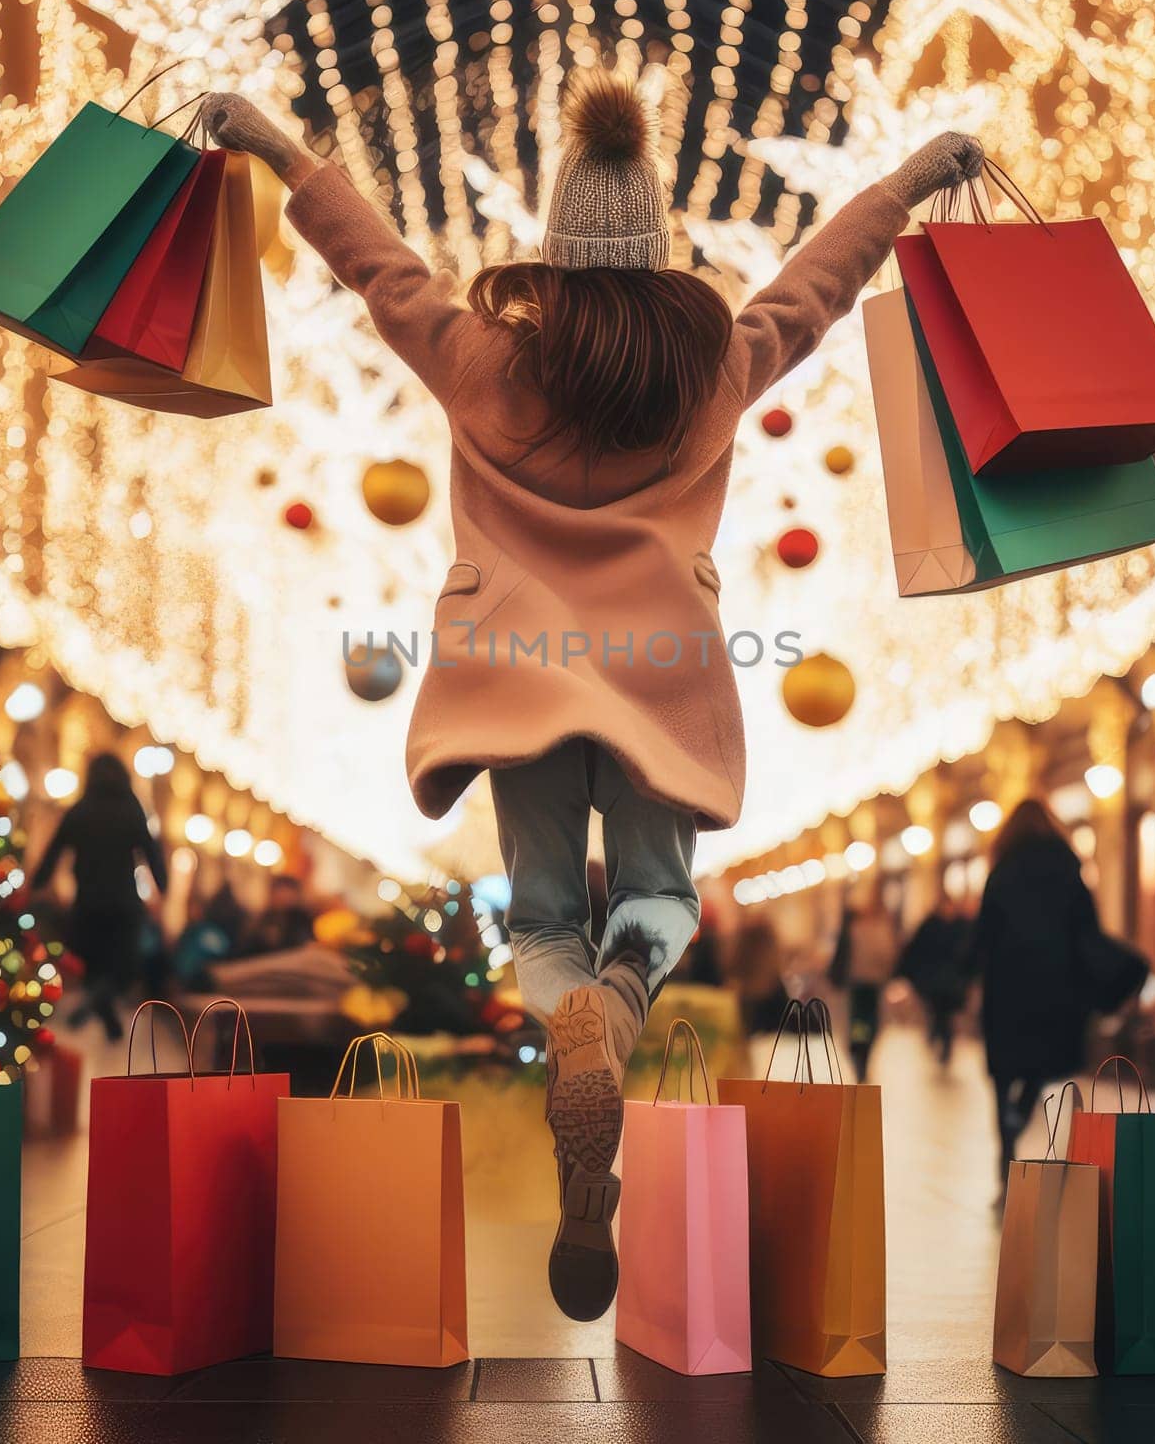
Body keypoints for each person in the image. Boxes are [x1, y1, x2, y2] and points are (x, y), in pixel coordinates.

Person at [202, 74, 980, 1320]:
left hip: (510, 674)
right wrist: (904, 183)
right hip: (662, 672)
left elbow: (380, 270)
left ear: (553, 257)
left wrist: (276, 149)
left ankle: (577, 1025)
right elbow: (814, 291)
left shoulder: (477, 361)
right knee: (662, 896)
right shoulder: (714, 365)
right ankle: (615, 1014)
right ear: (658, 248)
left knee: (543, 918)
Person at [975, 799, 1099, 1181]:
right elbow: (1087, 930)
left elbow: (984, 934)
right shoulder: (1067, 870)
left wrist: (970, 975)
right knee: (1038, 1062)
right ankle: (1021, 1113)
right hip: (1053, 984)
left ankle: (1005, 1137)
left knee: (1002, 1068)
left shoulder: (1002, 871)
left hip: (1005, 983)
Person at [30, 752, 167, 1041]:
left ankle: (97, 1001)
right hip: (124, 904)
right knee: (122, 968)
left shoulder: (81, 809)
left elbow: (55, 850)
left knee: (92, 966)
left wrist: (37, 882)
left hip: (88, 904)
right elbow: (150, 850)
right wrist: (163, 885)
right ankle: (102, 1000)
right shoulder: (132, 809)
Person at [900, 897, 975, 1065]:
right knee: (938, 1011)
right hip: (935, 979)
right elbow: (915, 951)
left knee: (942, 1013)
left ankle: (940, 1038)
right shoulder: (933, 926)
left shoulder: (960, 927)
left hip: (948, 981)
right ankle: (939, 1037)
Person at [830, 901, 899, 1081]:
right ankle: (864, 1050)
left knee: (859, 1020)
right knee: (870, 1020)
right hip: (873, 982)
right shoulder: (881, 929)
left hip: (858, 982)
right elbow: (889, 956)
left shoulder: (855, 928)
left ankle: (859, 1049)